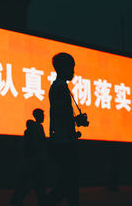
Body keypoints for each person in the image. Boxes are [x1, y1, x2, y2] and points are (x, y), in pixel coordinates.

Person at [46, 52, 80, 206]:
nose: (73, 71)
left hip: (63, 140)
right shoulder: (60, 88)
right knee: (67, 183)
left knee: (69, 184)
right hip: (65, 142)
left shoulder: (59, 86)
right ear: (64, 68)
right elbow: (60, 115)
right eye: (71, 67)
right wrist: (74, 121)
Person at [10, 109, 47, 206]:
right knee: (36, 183)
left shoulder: (30, 129)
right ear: (38, 116)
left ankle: (16, 200)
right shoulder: (38, 127)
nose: (44, 117)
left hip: (30, 160)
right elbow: (40, 143)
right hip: (36, 160)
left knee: (29, 183)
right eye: (42, 115)